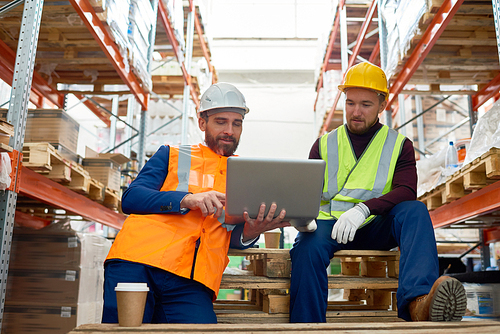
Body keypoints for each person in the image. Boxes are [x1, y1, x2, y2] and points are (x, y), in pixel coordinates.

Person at [289, 62, 467, 323]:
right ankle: (307, 325)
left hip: (375, 226)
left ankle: (418, 304)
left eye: (365, 104)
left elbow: (406, 191)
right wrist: (302, 217)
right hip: (332, 228)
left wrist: (364, 209)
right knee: (306, 247)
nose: (356, 112)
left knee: (415, 212)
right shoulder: (324, 145)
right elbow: (309, 193)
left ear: (382, 105)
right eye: (350, 103)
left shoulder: (399, 145)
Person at [102, 82, 290, 324]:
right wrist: (187, 199)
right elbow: (131, 199)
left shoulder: (248, 173)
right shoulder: (171, 154)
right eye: (221, 121)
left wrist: (251, 232)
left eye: (237, 123)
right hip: (137, 263)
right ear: (202, 123)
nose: (229, 130)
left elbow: (227, 233)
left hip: (192, 279)